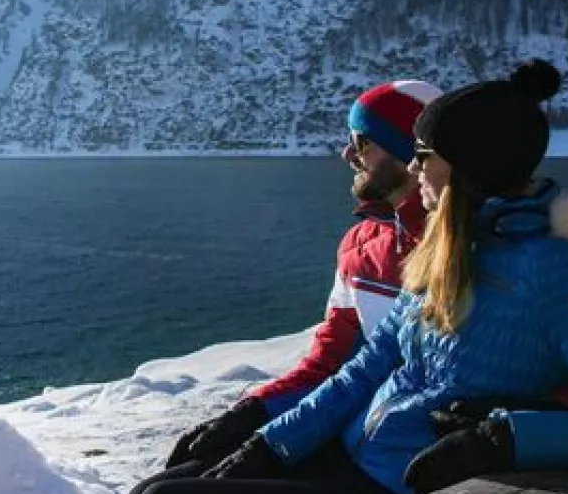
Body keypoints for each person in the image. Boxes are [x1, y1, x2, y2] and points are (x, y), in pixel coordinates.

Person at [125, 60, 568, 494]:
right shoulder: (444, 251)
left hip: (405, 489)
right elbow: (363, 368)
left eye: (424, 156)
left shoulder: (557, 272)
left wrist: (503, 438)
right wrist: (268, 444)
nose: (415, 169)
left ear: (465, 167)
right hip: (363, 451)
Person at [159, 78, 442, 472]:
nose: (347, 154)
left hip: (402, 453)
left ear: (406, 153)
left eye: (362, 142)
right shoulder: (359, 246)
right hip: (342, 422)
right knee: (176, 479)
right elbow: (332, 360)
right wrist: (255, 411)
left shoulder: (454, 248)